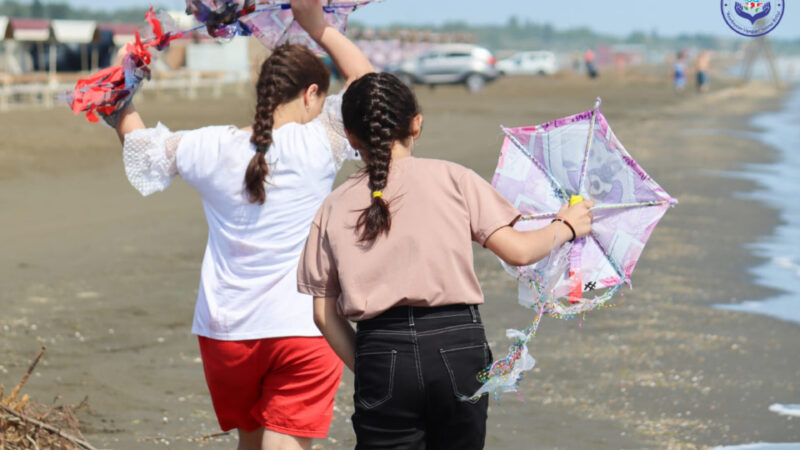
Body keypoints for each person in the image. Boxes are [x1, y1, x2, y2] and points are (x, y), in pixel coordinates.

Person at [106, 1, 373, 448]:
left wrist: (122, 88)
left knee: (250, 442)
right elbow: (371, 89)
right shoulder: (318, 143)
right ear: (310, 94)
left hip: (226, 334)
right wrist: (318, 27)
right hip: (304, 328)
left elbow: (143, 151)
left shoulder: (208, 145)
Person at [298, 72, 594, 449]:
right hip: (458, 344)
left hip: (380, 348)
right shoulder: (454, 178)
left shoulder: (334, 204)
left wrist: (372, 365)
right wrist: (566, 225)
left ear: (352, 137)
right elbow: (519, 251)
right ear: (416, 124)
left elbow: (323, 314)